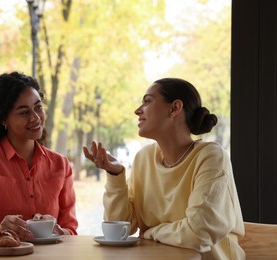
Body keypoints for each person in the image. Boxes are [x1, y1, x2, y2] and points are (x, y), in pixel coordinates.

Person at [83, 78, 245, 259]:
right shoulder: (143, 159)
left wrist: (151, 233)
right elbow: (121, 227)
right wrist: (115, 174)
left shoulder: (211, 157)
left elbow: (198, 234)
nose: (137, 110)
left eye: (147, 101)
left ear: (174, 108)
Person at [0, 71, 78, 241]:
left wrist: (55, 229)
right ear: (3, 119)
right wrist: (2, 229)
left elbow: (70, 229)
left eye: (38, 107)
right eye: (24, 112)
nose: (35, 118)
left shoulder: (60, 164)